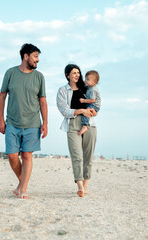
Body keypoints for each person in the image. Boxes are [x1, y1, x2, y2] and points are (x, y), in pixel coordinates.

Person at [0, 43, 48, 199]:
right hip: (12, 122)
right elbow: (2, 96)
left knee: (26, 155)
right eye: (35, 56)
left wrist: (45, 123)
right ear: (26, 56)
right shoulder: (10, 73)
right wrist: (0, 120)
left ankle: (23, 189)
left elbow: (43, 101)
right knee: (12, 156)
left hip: (33, 123)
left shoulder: (39, 77)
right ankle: (22, 181)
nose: (37, 60)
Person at [56, 64, 97, 197]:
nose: (77, 75)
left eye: (78, 72)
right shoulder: (62, 90)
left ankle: (85, 185)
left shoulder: (87, 88)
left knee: (88, 156)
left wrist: (93, 111)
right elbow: (64, 111)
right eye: (73, 73)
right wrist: (82, 110)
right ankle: (79, 186)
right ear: (67, 75)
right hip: (73, 123)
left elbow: (96, 101)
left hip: (89, 123)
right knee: (77, 156)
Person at [78, 70, 101, 135]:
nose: (85, 81)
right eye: (85, 79)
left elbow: (92, 100)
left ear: (94, 82)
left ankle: (84, 126)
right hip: (92, 104)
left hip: (94, 105)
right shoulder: (89, 87)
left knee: (86, 112)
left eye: (88, 79)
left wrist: (83, 101)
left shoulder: (93, 89)